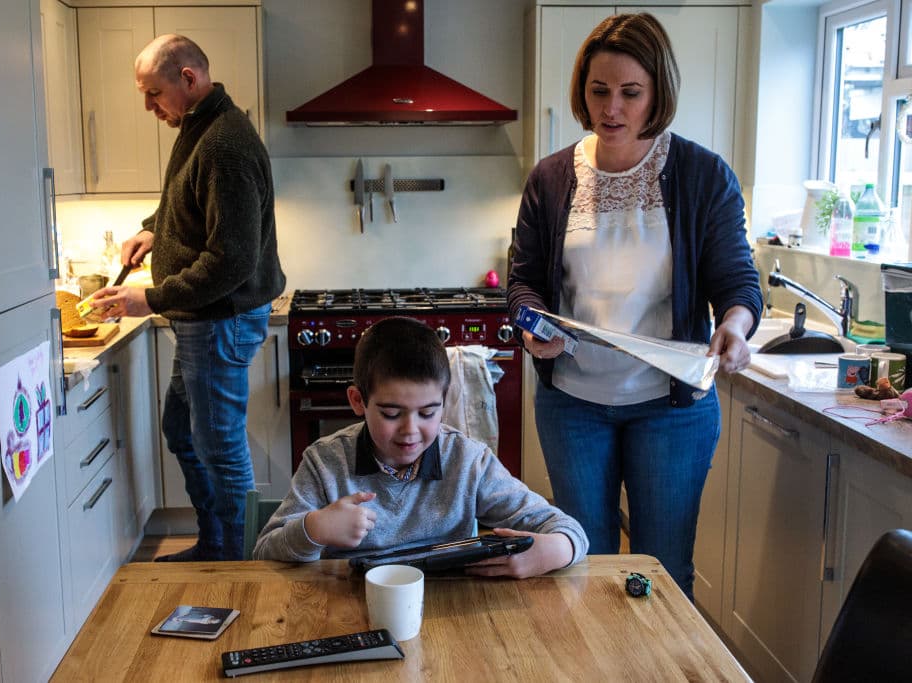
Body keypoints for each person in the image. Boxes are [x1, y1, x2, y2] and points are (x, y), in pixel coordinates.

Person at [506, 13, 761, 598]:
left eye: (630, 93)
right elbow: (522, 284)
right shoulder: (551, 179)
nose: (611, 108)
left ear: (658, 95)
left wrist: (736, 327)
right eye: (599, 91)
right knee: (582, 565)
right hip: (572, 403)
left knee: (663, 569)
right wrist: (531, 328)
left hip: (672, 408)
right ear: (582, 91)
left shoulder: (702, 175)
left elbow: (738, 283)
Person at [90, 34, 286, 561]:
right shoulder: (199, 126)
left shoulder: (225, 142)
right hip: (205, 319)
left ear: (188, 79)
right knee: (182, 429)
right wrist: (154, 229)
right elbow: (191, 202)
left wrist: (150, 299)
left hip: (220, 319)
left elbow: (232, 260)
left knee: (221, 448)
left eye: (153, 93)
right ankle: (216, 541)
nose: (149, 106)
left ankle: (238, 561)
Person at [253, 317, 589, 579]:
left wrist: (555, 550)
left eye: (428, 413)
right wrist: (314, 528)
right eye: (391, 413)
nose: (410, 431)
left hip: (446, 618)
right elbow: (265, 552)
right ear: (357, 401)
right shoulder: (324, 463)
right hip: (347, 608)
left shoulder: (468, 461)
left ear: (444, 401)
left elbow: (567, 529)